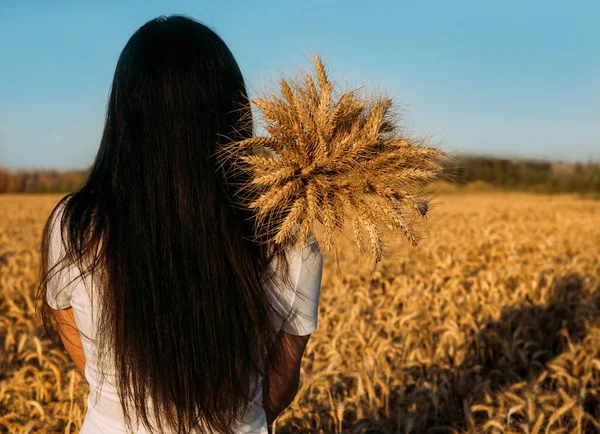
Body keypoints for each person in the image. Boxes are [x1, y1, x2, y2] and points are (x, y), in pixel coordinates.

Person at [39, 15, 323, 434]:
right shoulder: (289, 234)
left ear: (122, 114)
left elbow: (77, 343)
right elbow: (280, 381)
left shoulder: (73, 225)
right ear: (235, 112)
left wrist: (124, 403)